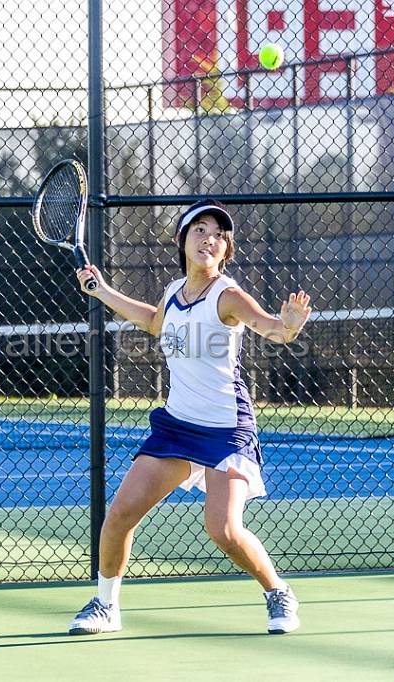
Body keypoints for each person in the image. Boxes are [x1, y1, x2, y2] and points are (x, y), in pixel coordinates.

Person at [68, 200, 312, 636]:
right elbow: (153, 322)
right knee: (120, 512)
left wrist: (288, 326)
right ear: (183, 241)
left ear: (225, 249)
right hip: (177, 426)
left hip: (225, 430)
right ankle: (106, 606)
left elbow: (270, 328)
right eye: (199, 229)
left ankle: (278, 592)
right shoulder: (174, 291)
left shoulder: (229, 296)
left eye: (218, 234)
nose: (209, 238)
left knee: (223, 530)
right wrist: (102, 291)